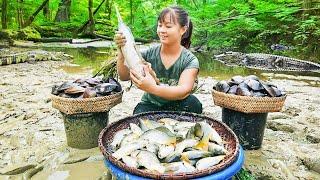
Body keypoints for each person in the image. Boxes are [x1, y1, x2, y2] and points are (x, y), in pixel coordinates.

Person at [114, 6, 202, 114]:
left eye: (168, 26)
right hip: (151, 104)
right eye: (160, 25)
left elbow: (183, 91)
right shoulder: (149, 53)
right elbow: (124, 76)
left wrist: (152, 88)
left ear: (183, 30)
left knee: (194, 104)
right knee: (138, 113)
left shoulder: (190, 60)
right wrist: (121, 51)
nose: (162, 30)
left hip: (179, 102)